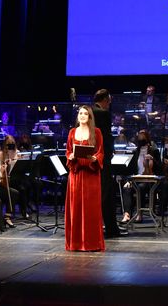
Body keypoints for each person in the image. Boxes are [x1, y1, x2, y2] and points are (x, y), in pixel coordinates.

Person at [65, 105, 105, 251]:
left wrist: (95, 158)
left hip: (91, 175)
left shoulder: (96, 132)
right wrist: (70, 156)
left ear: (90, 117)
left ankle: (92, 243)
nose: (82, 116)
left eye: (85, 114)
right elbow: (68, 151)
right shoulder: (72, 132)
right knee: (75, 209)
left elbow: (101, 152)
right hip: (76, 176)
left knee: (91, 210)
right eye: (80, 113)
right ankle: (75, 243)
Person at [92, 89, 124, 238]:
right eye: (109, 100)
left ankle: (96, 227)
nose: (109, 103)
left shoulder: (88, 111)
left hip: (89, 158)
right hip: (102, 158)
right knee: (107, 194)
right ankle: (111, 229)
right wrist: (111, 151)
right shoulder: (103, 113)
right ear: (105, 99)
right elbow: (106, 136)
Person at [120, 130, 162, 223]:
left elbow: (160, 167)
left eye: (142, 136)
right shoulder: (136, 152)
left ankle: (139, 213)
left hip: (149, 179)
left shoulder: (154, 151)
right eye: (139, 136)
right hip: (136, 178)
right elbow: (131, 169)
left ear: (147, 138)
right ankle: (127, 214)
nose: (140, 138)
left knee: (141, 187)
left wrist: (153, 159)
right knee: (126, 188)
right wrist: (129, 180)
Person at [0, 134, 32, 219]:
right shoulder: (1, 153)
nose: (10, 145)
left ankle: (24, 210)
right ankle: (12, 211)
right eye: (8, 143)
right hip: (6, 177)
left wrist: (20, 159)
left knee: (25, 187)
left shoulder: (17, 152)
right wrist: (6, 163)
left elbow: (21, 166)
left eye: (12, 143)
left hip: (16, 176)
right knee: (20, 188)